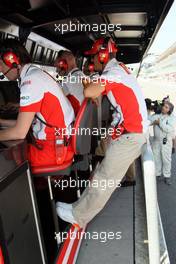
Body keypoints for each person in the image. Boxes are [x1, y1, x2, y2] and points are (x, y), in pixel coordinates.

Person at [56, 37, 148, 228]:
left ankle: (78, 216)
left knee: (105, 177)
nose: (92, 62)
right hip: (127, 131)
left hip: (132, 135)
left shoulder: (113, 72)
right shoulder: (116, 70)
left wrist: (90, 84)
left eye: (94, 57)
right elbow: (97, 94)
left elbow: (90, 92)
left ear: (104, 55)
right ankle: (78, 208)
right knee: (101, 173)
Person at [0, 39, 75, 168]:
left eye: (1, 64)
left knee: (6, 160)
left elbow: (20, 132)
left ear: (12, 61)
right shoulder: (35, 74)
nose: (0, 69)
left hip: (53, 151)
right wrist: (2, 122)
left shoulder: (31, 81)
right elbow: (27, 123)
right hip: (59, 145)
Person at [149, 101, 175, 185]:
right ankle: (157, 174)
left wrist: (159, 123)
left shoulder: (172, 118)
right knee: (156, 158)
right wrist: (153, 113)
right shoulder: (157, 115)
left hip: (166, 142)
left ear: (170, 110)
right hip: (156, 141)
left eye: (167, 107)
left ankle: (167, 176)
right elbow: (148, 121)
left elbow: (168, 129)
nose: (164, 108)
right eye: (164, 106)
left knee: (166, 159)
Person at [54, 50, 84, 115]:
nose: (56, 71)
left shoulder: (68, 82)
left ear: (63, 64)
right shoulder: (81, 75)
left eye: (57, 66)